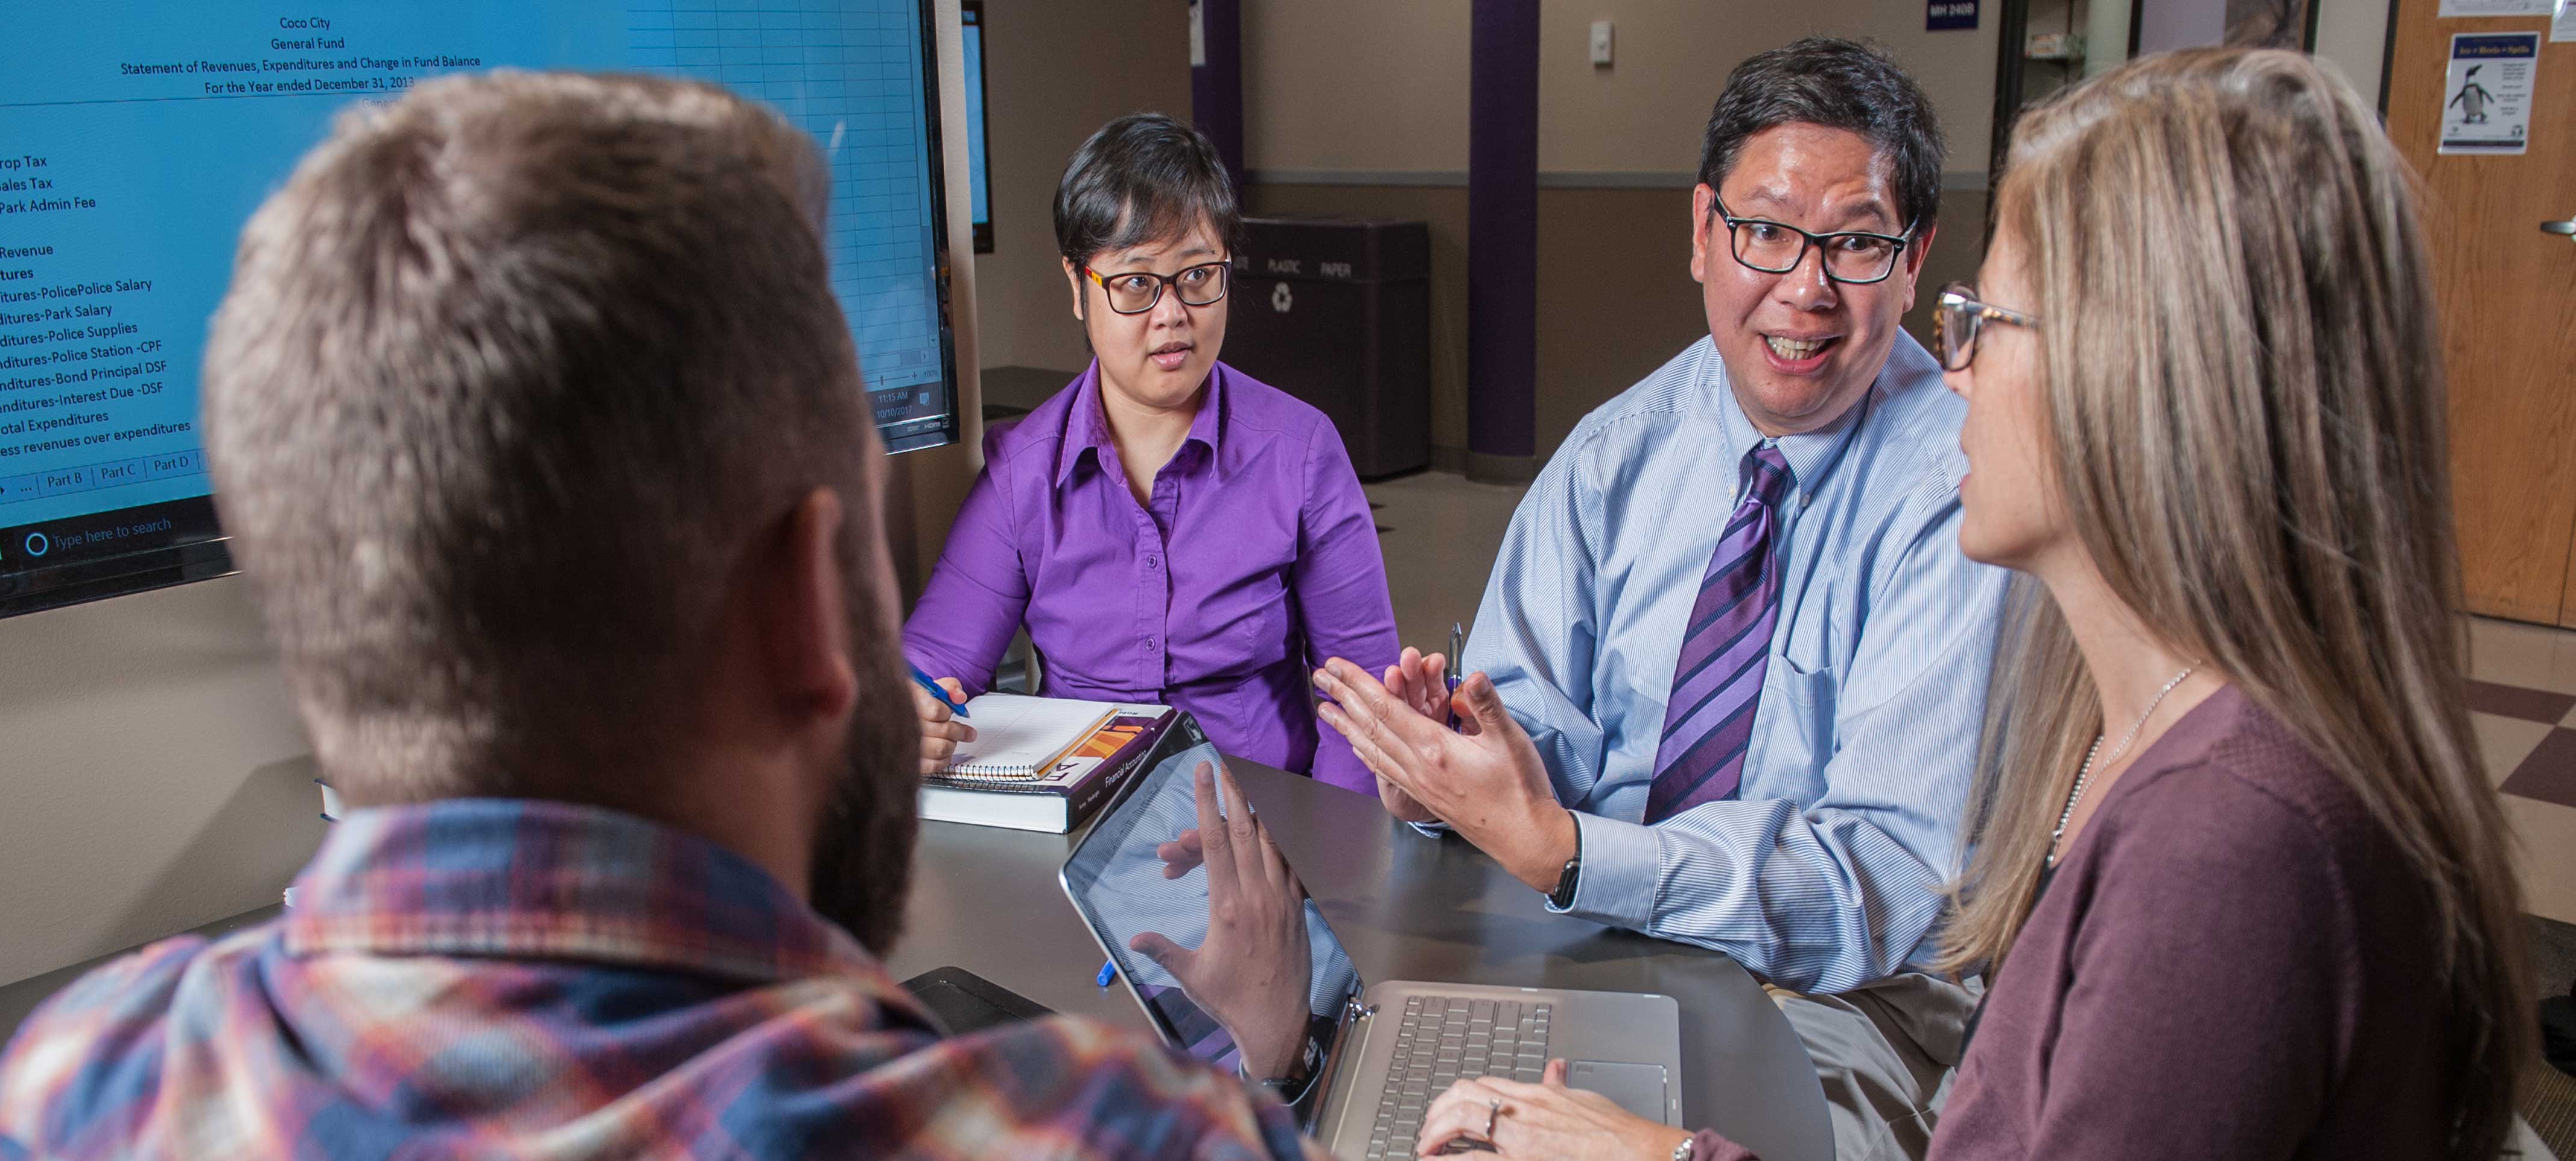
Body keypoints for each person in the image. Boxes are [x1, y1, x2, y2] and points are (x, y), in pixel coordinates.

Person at [0, 73, 1321, 1160]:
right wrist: (1249, 1065)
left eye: (1191, 276)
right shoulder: (1090, 1124)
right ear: (803, 606)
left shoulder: (78, 1078)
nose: (1167, 310)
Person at [1399, 46, 2534, 1161]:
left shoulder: (2225, 846)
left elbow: (1906, 901)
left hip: (1821, 996)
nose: (1946, 377)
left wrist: (1658, 1154)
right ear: (1703, 231)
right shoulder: (2174, 745)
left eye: (1982, 324)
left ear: (2141, 379)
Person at [1314, 38, 2009, 1161]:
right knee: (1370, 1107)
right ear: (1700, 233)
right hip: (1589, 939)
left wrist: (1572, 852)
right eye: (1766, 231)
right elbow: (1535, 720)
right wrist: (1457, 769)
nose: (1805, 287)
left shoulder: (1963, 491)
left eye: (1856, 243)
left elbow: (1881, 878)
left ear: (1915, 255)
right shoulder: (1613, 454)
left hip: (1838, 1002)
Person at [904, 113, 1399, 792]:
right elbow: (934, 662)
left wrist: (1316, 860)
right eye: (1136, 283)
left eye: (1198, 275)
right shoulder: (1025, 471)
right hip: (1078, 829)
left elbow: (1364, 702)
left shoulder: (1301, 453)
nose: (1172, 314)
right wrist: (909, 708)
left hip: (1263, 829)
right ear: (1079, 287)